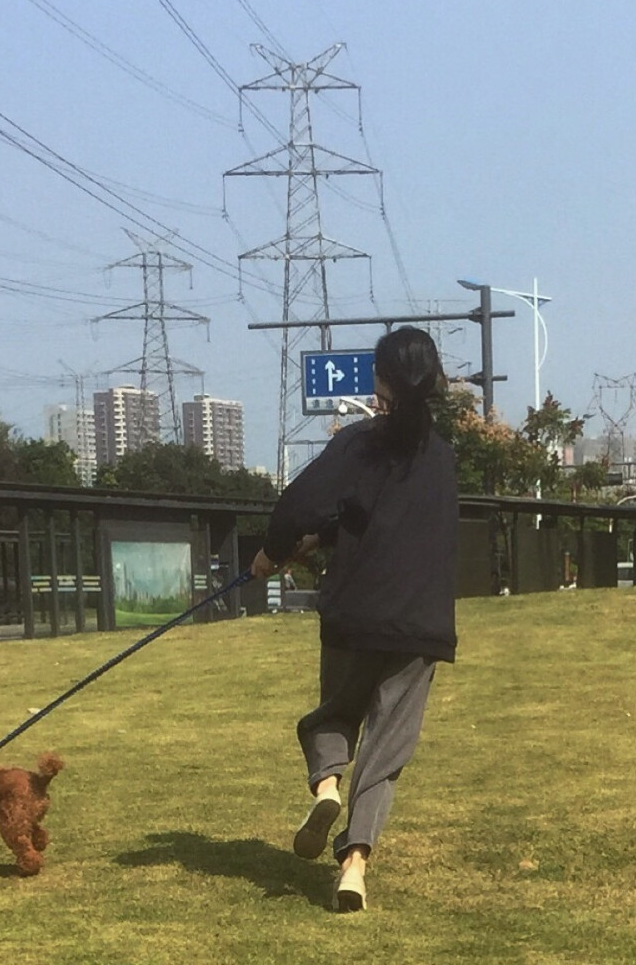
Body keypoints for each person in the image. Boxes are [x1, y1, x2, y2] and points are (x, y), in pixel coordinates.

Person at [251, 327, 458, 913]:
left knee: (331, 716)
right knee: (386, 755)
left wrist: (275, 551)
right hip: (421, 624)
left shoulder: (360, 443)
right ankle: (354, 868)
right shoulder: (442, 458)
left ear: (381, 379)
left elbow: (298, 504)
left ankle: (326, 786)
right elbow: (391, 520)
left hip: (355, 612)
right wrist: (324, 533)